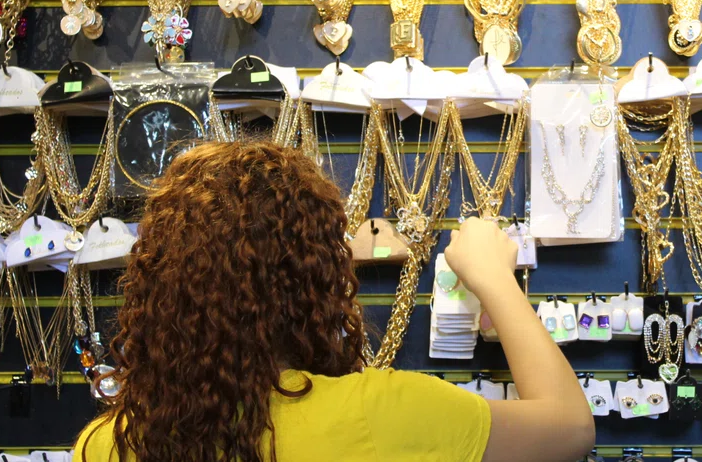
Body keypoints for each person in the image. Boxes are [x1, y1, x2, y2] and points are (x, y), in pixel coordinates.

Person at [74, 141, 594, 461]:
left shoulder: (105, 444)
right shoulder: (379, 414)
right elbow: (570, 429)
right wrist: (494, 279)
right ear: (315, 277)